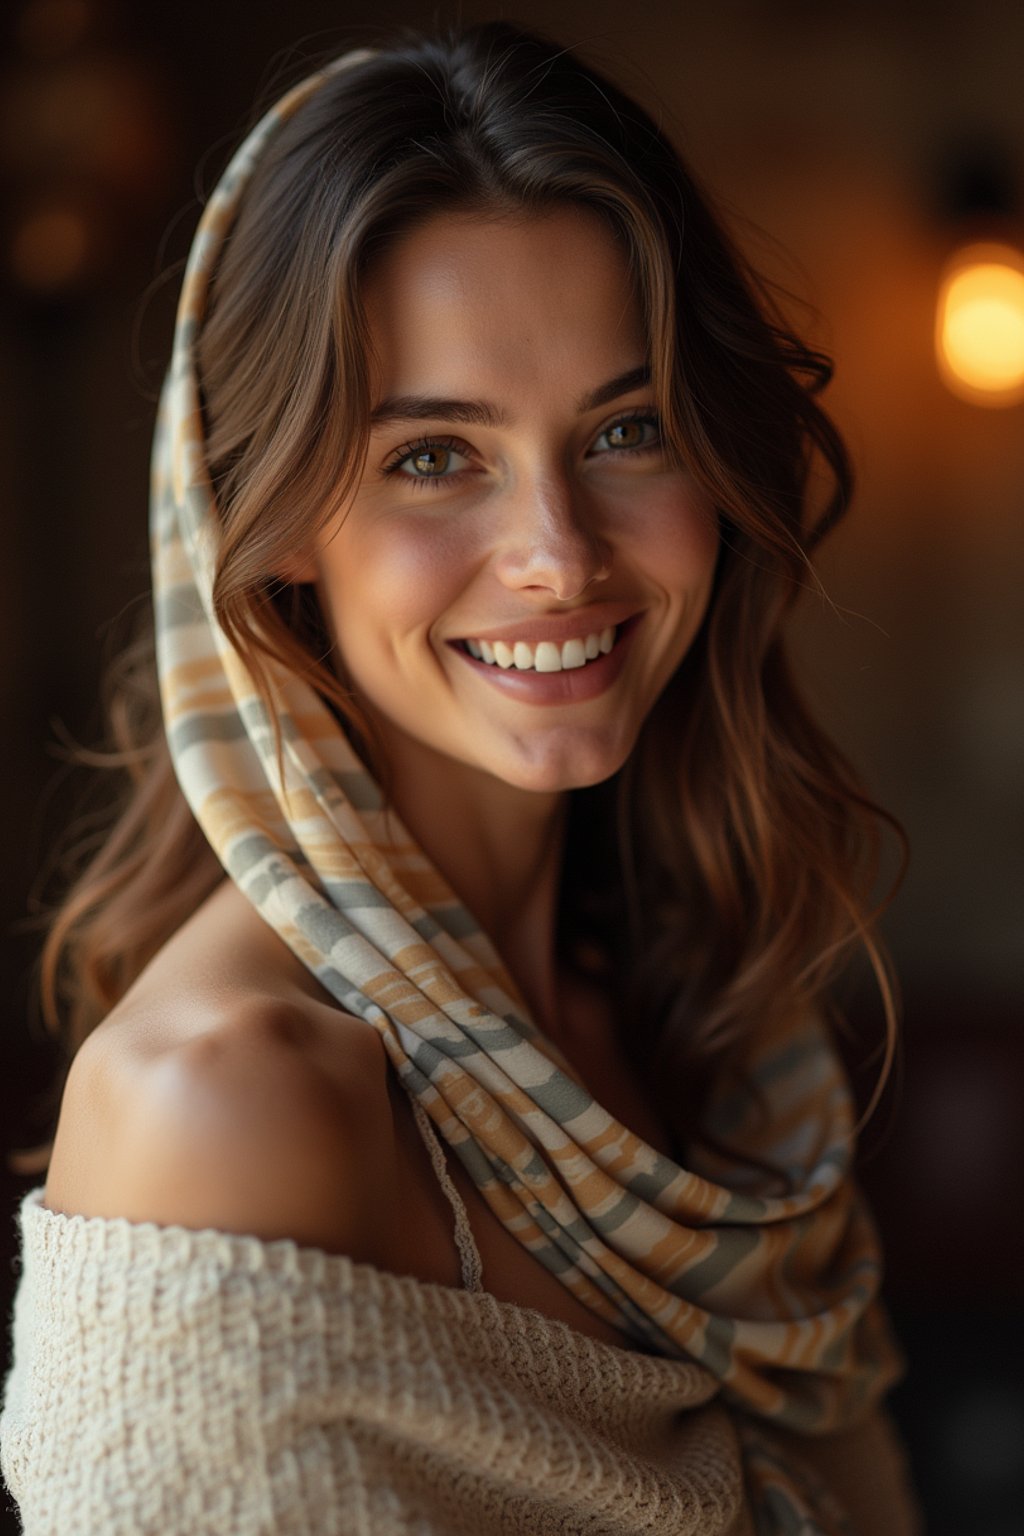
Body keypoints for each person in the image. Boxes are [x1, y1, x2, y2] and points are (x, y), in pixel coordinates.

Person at [0, 21, 919, 1535]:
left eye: (627, 430)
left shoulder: (725, 1038)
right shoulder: (224, 1112)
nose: (560, 554)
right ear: (274, 517)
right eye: (437, 455)